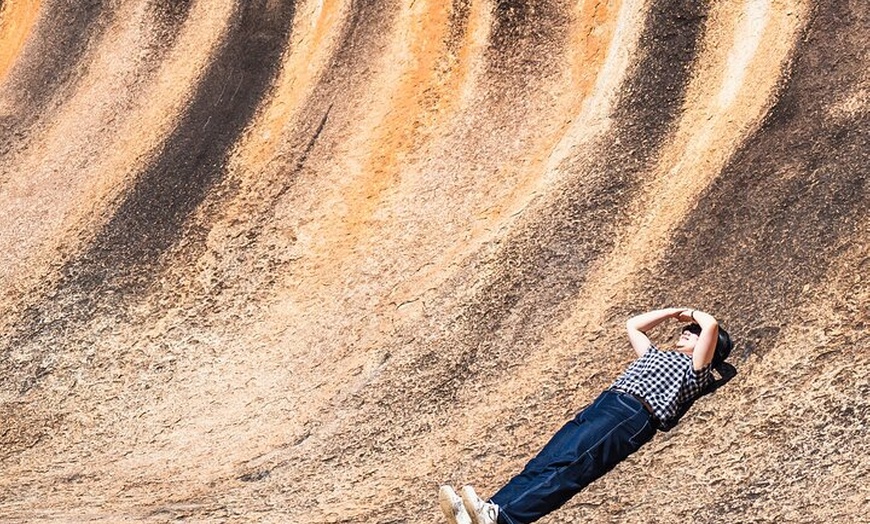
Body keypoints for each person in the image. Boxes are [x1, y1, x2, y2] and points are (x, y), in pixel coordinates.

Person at [439, 307, 733, 524]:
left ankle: (503, 518)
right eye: (688, 329)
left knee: (572, 466)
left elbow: (711, 325)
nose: (688, 332)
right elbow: (634, 326)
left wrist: (693, 315)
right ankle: (487, 510)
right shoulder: (656, 356)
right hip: (606, 403)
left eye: (693, 333)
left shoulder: (695, 372)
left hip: (632, 415)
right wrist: (673, 313)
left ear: (709, 348)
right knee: (546, 460)